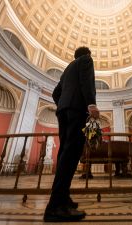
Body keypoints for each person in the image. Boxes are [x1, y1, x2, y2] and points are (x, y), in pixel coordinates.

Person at [43, 46, 99, 222]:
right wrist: (90, 104)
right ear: (87, 54)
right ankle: (55, 207)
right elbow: (86, 81)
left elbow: (55, 93)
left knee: (64, 154)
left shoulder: (67, 69)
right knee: (72, 154)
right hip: (77, 110)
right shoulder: (86, 61)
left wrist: (63, 105)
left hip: (63, 111)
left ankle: (63, 198)